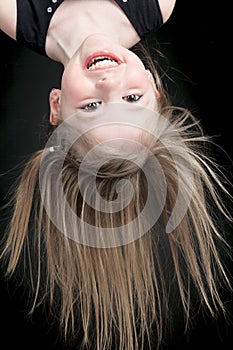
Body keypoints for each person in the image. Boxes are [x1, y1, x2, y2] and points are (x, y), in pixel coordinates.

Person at [0, 1, 232, 350]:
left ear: (56, 105)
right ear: (155, 88)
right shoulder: (158, 4)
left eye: (91, 108)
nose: (108, 84)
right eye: (131, 98)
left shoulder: (12, 13)